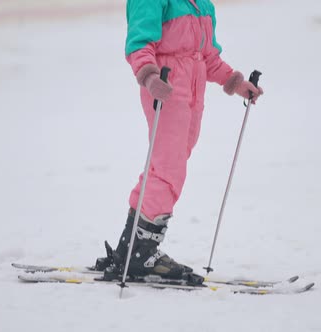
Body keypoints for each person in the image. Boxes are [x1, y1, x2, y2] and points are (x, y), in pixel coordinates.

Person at [97, 0, 263, 280]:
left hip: (193, 95)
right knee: (169, 169)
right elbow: (139, 42)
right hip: (165, 89)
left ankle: (132, 247)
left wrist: (235, 83)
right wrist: (150, 77)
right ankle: (143, 251)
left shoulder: (202, 5)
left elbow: (208, 56)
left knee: (163, 166)